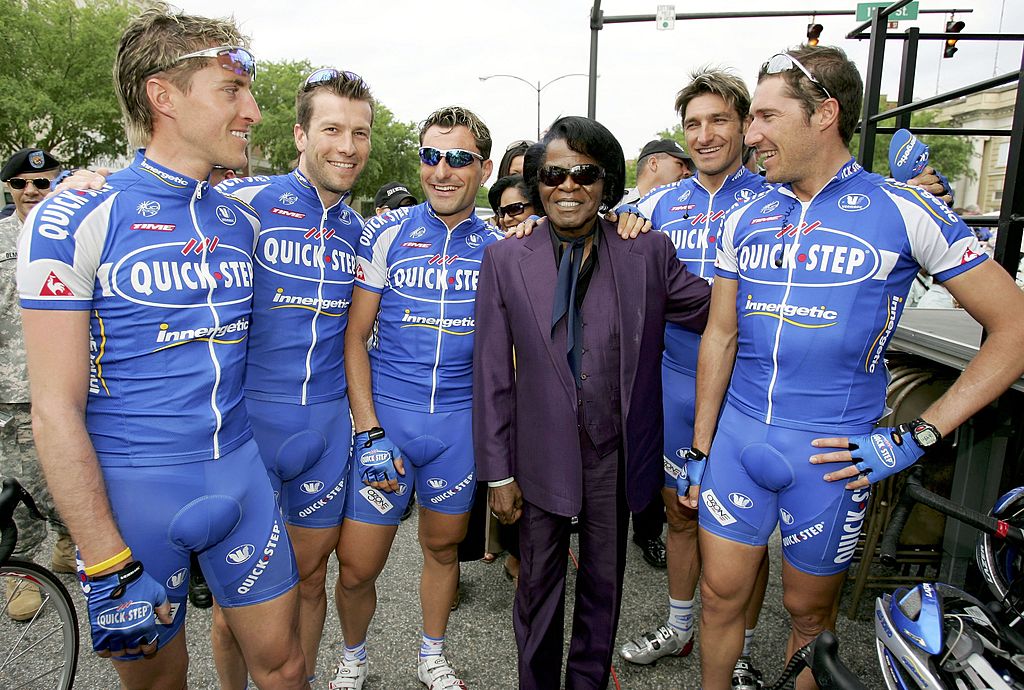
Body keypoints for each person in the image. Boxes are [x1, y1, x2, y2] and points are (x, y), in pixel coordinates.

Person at [685, 45, 1024, 690]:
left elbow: (1016, 330)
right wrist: (700, 445)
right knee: (719, 599)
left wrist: (920, 434)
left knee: (809, 617)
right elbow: (720, 334)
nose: (748, 134)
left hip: (833, 454)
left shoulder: (903, 210)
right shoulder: (744, 212)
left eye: (764, 117)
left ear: (824, 115)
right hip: (738, 442)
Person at [16, 9, 308, 689]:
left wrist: (615, 216)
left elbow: (326, 187)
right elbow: (53, 411)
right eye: (232, 89)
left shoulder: (244, 213)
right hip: (133, 493)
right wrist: (102, 558)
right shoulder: (73, 215)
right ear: (163, 96)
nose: (254, 110)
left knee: (288, 667)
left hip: (239, 474)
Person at [473, 116, 712, 690]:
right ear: (537, 183)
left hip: (616, 450)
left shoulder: (647, 251)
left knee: (605, 584)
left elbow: (716, 311)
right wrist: (498, 473)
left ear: (607, 183)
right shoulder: (507, 258)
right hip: (538, 453)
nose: (569, 186)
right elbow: (490, 376)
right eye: (554, 174)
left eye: (585, 173)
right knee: (537, 590)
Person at [207, 67, 371, 688]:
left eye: (360, 132)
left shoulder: (362, 232)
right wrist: (89, 184)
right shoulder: (243, 207)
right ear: (300, 136)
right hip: (248, 426)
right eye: (332, 129)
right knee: (237, 604)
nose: (347, 147)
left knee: (308, 583)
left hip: (325, 428)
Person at [336, 106, 500, 690]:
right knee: (357, 567)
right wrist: (368, 430)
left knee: (443, 550)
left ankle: (432, 656)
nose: (442, 170)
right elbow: (355, 337)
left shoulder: (502, 244)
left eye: (458, 158)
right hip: (390, 425)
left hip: (457, 428)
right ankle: (352, 658)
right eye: (431, 155)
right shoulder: (386, 232)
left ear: (482, 167)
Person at [619, 69, 773, 686]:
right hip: (672, 378)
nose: (705, 135)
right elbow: (581, 230)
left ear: (744, 125)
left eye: (719, 121)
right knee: (679, 513)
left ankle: (736, 650)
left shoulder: (773, 201)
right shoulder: (656, 204)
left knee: (745, 525)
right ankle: (682, 626)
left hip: (746, 384)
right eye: (693, 125)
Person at [0, 147, 77, 622]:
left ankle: (69, 545)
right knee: (16, 490)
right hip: (9, 393)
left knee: (67, 483)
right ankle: (19, 576)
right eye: (21, 184)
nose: (30, 191)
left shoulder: (74, 234)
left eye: (42, 183)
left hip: (67, 386)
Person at [621, 138, 694, 206]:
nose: (688, 172)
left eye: (687, 167)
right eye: (680, 164)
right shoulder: (614, 205)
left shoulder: (689, 208)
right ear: (653, 163)